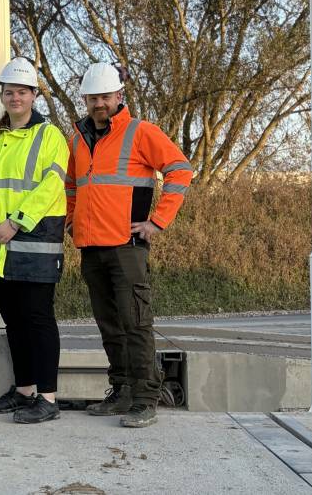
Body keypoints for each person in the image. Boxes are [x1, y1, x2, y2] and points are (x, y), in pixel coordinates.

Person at [65, 62, 193, 428]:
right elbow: (72, 186)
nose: (99, 103)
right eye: (93, 98)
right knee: (109, 324)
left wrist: (157, 222)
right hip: (90, 247)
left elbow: (180, 170)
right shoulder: (77, 138)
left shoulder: (141, 132)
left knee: (135, 323)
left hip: (126, 246)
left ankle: (145, 397)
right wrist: (73, 219)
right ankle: (121, 390)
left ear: (119, 96)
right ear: (86, 100)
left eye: (105, 96)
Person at [0, 57, 69, 424]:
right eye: (9, 91)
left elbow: (50, 185)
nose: (15, 97)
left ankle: (48, 397)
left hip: (33, 245)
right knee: (14, 321)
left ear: (34, 96)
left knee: (38, 319)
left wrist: (15, 223)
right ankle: (25, 390)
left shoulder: (50, 136)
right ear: (2, 95)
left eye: (22, 92)